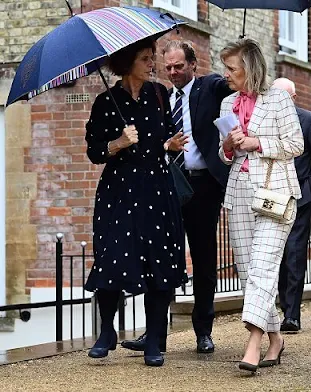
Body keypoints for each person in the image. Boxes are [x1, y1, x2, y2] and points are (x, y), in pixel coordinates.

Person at [121, 40, 233, 355]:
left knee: (204, 258)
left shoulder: (210, 87)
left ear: (193, 65)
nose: (173, 72)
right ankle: (155, 334)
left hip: (202, 188)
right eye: (168, 67)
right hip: (166, 188)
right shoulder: (158, 97)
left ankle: (203, 331)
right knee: (158, 259)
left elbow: (235, 90)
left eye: (178, 66)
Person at [84, 38, 188, 367]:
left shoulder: (159, 95)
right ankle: (107, 331)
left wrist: (171, 144)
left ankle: (155, 339)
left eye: (151, 58)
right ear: (127, 63)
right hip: (118, 192)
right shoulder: (105, 101)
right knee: (112, 257)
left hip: (156, 189)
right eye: (145, 59)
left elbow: (171, 134)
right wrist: (117, 142)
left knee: (159, 262)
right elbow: (93, 150)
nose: (151, 64)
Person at [217, 38, 304, 373]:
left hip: (275, 192)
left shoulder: (279, 99)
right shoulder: (227, 104)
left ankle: (253, 342)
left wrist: (257, 143)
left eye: (231, 68)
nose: (226, 74)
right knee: (248, 270)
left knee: (264, 266)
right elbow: (224, 156)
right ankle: (275, 337)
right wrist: (227, 145)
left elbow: (296, 144)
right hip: (239, 192)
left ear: (249, 68)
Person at [272, 78, 311, 333]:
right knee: (276, 255)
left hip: (299, 199)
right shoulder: (266, 122)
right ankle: (279, 307)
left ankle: (292, 315)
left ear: (293, 98)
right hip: (271, 198)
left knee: (294, 255)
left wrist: (310, 189)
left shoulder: (309, 120)